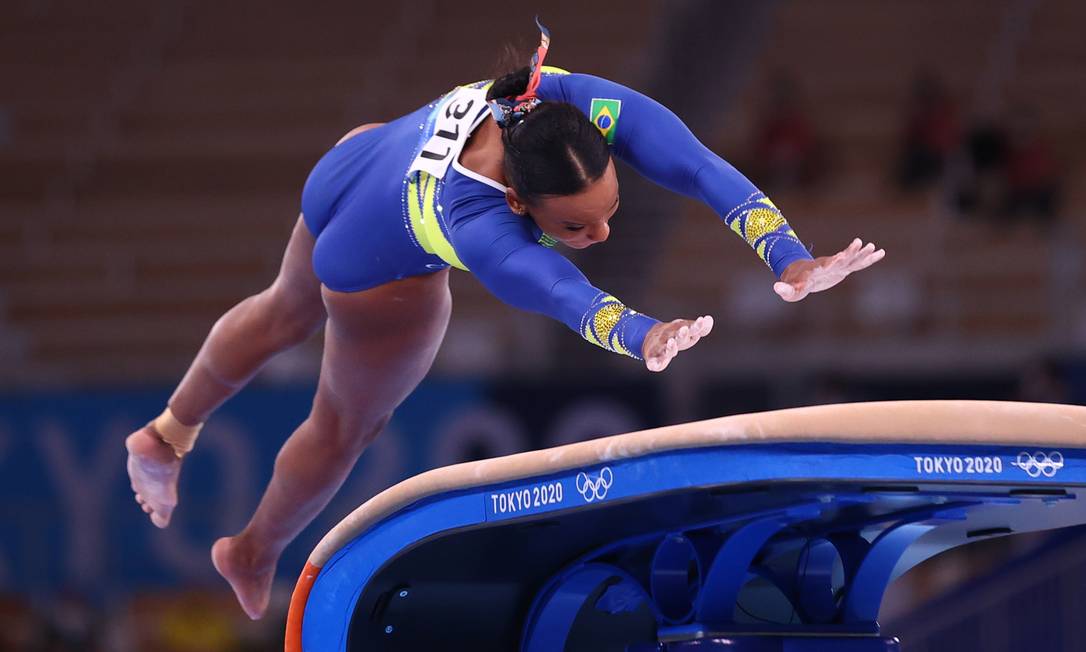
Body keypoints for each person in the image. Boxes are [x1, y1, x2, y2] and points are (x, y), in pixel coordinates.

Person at [125, 21, 884, 620]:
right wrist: (641, 334)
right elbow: (559, 291)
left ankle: (165, 434)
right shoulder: (478, 222)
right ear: (518, 204)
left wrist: (787, 254)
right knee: (344, 425)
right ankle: (252, 552)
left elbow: (694, 164)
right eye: (579, 228)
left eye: (609, 212)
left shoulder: (568, 102)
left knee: (281, 308)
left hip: (353, 162)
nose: (602, 236)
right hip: (374, 261)